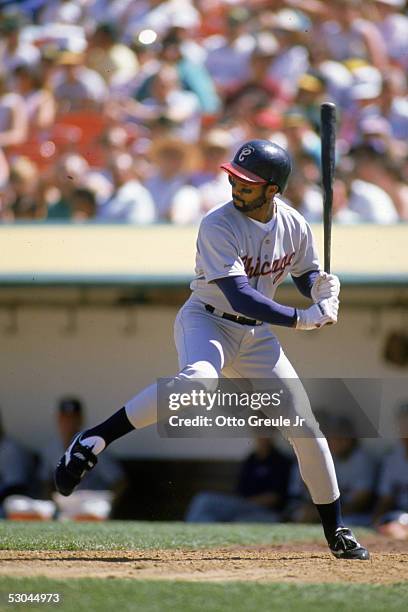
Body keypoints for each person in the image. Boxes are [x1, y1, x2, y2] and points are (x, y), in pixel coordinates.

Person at [55, 138, 369, 560]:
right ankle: (94, 440)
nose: (237, 187)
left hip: (257, 337)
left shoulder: (294, 224)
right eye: (235, 178)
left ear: (272, 189)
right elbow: (239, 296)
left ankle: (337, 531)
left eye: (248, 182)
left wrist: (320, 289)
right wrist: (302, 318)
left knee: (306, 429)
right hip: (208, 319)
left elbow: (304, 270)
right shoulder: (217, 224)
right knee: (199, 381)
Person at [185, 437, 292, 523]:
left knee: (206, 501)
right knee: (204, 503)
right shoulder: (251, 459)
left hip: (261, 510)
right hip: (242, 506)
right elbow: (240, 489)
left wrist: (245, 502)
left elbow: (274, 497)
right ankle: (194, 538)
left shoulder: (281, 461)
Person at [40, 397, 125, 500]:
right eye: (65, 418)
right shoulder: (51, 448)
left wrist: (106, 504)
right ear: (58, 419)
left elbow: (121, 482)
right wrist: (50, 504)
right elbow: (45, 481)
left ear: (80, 419)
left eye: (73, 418)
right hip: (65, 504)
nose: (68, 423)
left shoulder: (92, 444)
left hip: (91, 504)